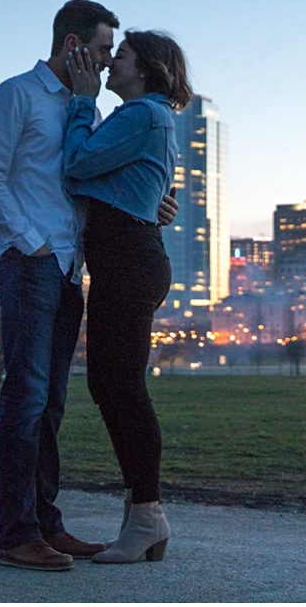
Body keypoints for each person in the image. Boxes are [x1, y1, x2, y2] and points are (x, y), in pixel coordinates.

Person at [0, 0, 175, 573]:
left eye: (116, 53)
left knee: (51, 403)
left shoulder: (85, 111)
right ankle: (16, 534)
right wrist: (27, 239)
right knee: (26, 397)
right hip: (30, 261)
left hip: (69, 269)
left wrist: (147, 203)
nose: (109, 62)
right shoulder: (16, 95)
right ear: (73, 45)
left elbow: (90, 179)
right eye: (105, 48)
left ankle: (46, 525)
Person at [61, 29, 191, 565]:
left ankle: (147, 515)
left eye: (123, 55)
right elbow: (138, 183)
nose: (112, 61)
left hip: (129, 262)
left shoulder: (143, 115)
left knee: (123, 389)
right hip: (126, 260)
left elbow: (77, 165)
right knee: (110, 385)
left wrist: (81, 102)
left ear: (148, 67)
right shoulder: (149, 117)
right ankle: (139, 512)